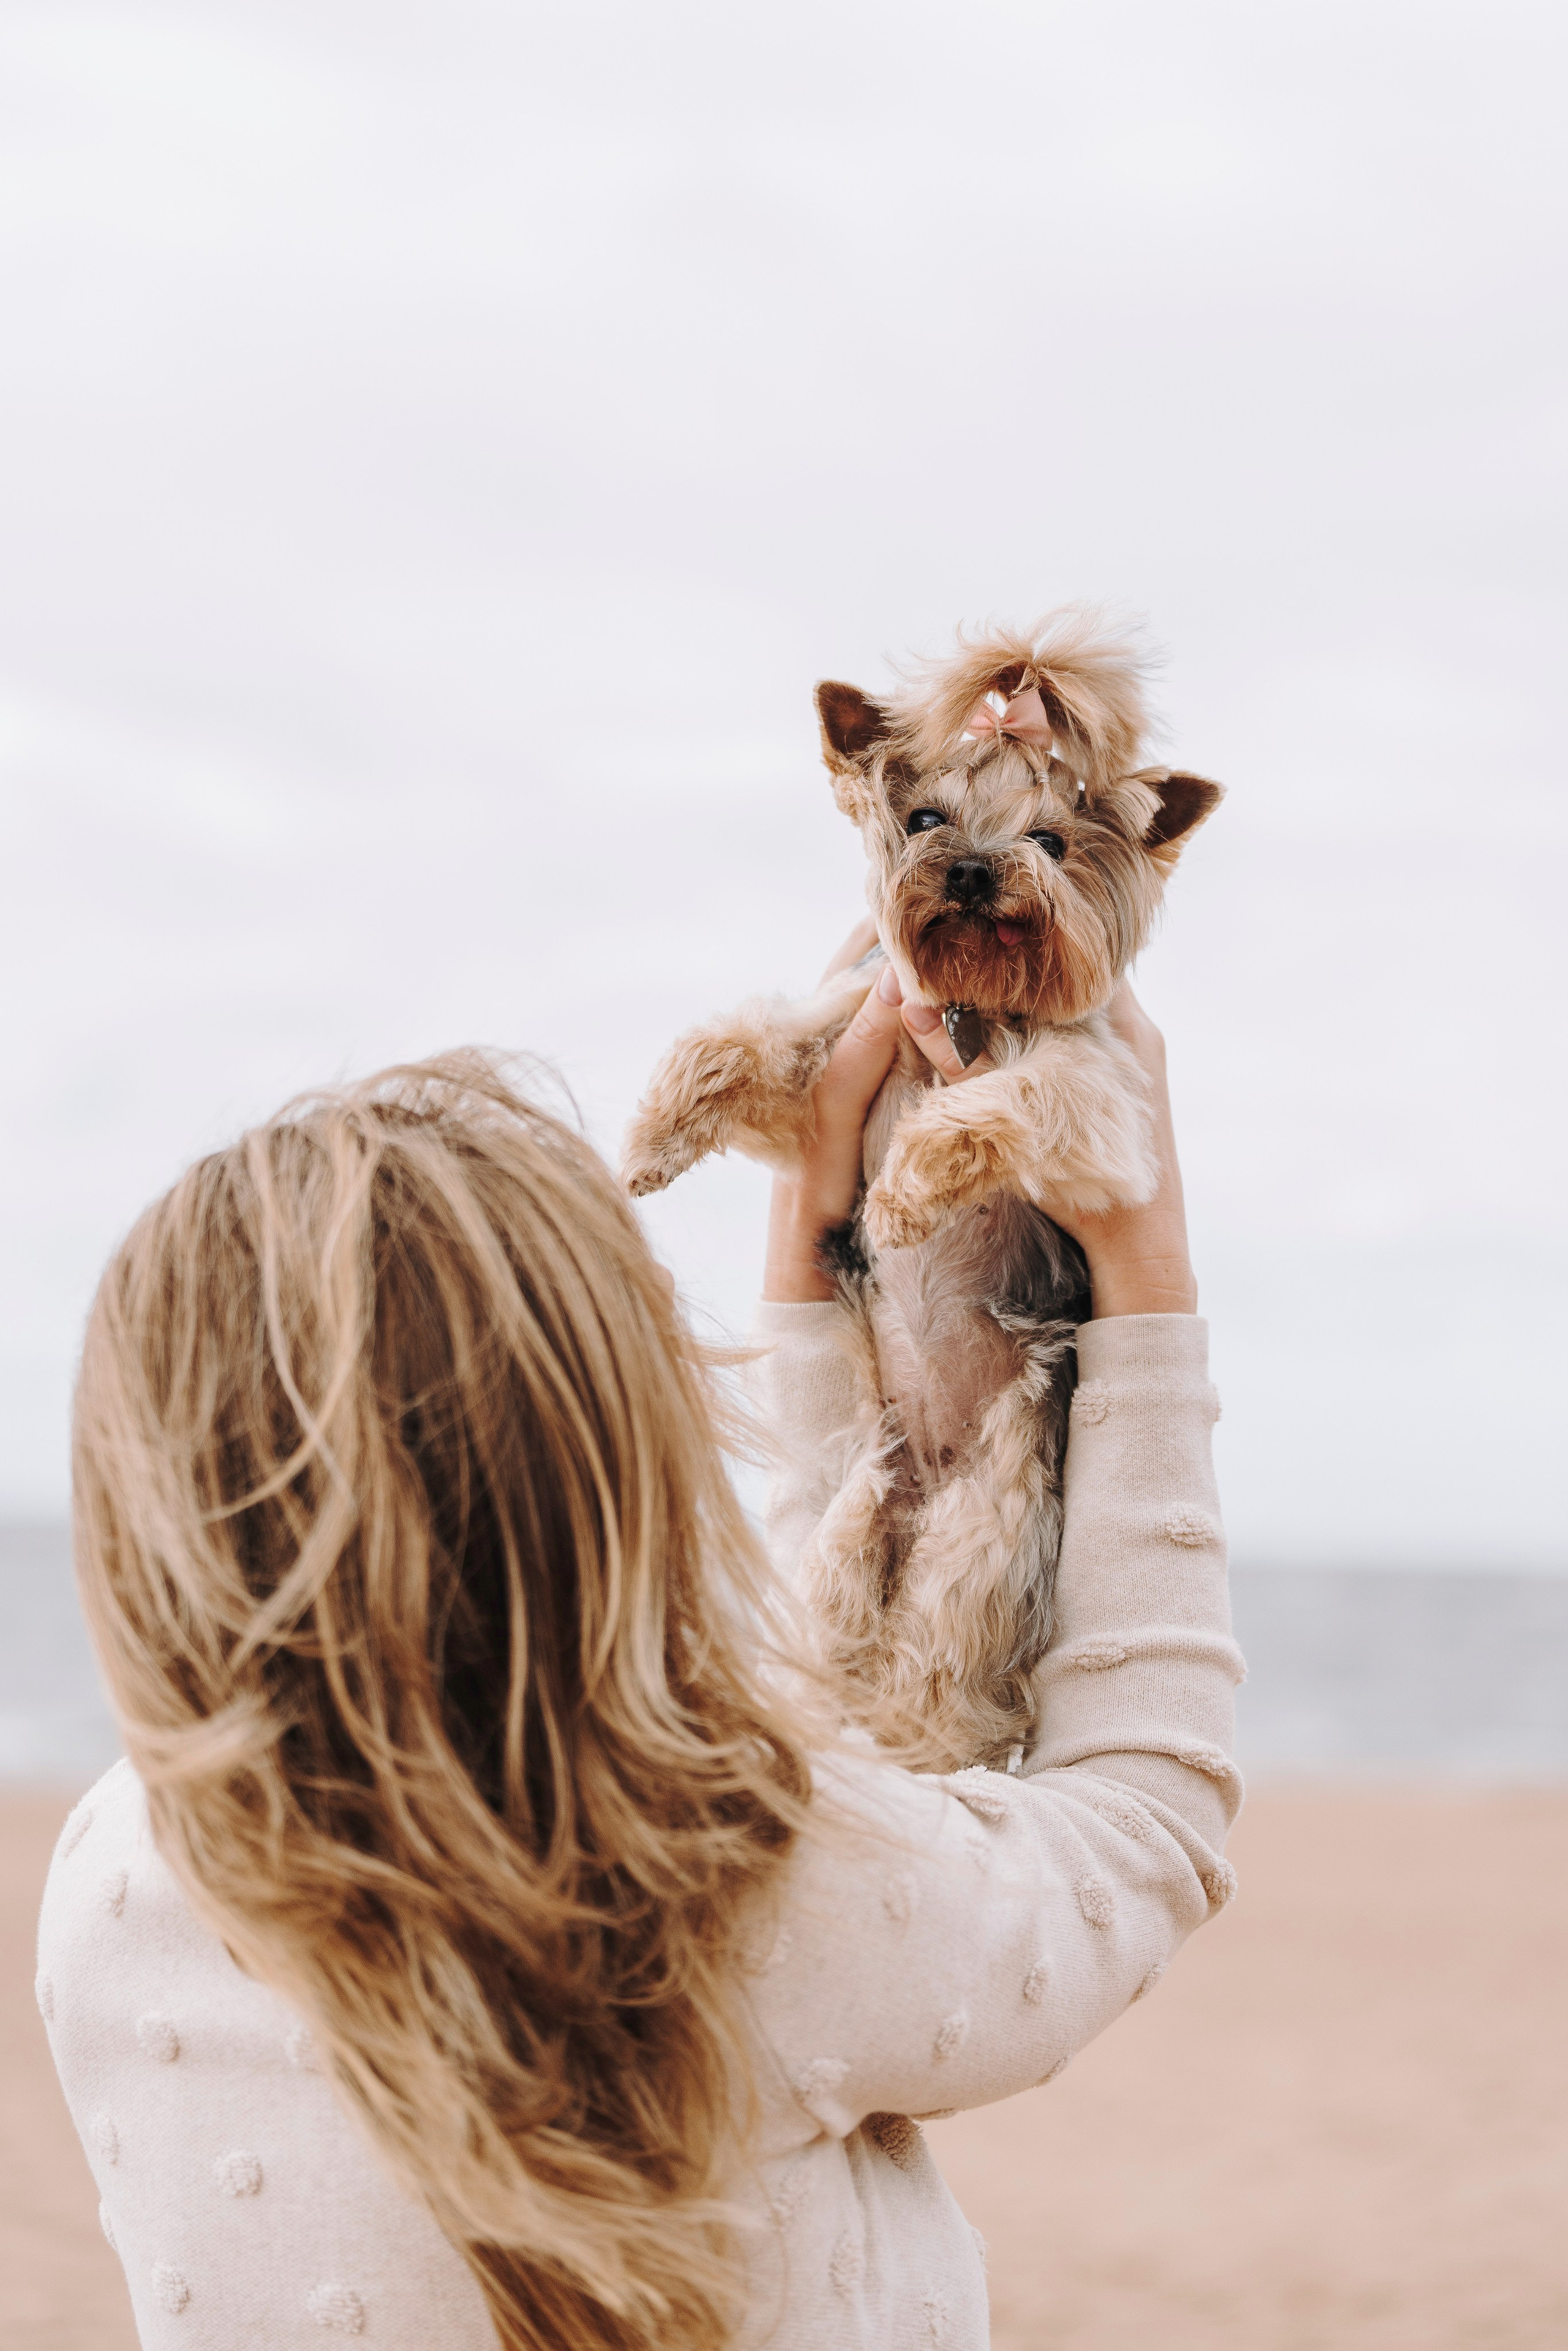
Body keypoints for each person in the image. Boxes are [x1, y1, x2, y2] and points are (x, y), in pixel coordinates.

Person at [37, 942, 1239, 2351]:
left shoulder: (109, 1878)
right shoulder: (740, 1885)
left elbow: (769, 1750)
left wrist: (822, 1246)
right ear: (616, 1465)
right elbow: (1140, 1820)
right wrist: (1144, 1273)